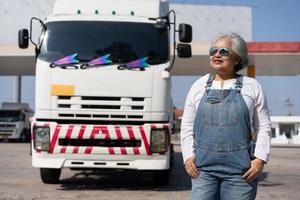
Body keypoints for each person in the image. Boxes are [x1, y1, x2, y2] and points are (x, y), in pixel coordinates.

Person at [180, 32, 271, 200]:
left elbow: (264, 127)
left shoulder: (252, 86)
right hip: (204, 171)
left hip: (241, 174)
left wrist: (260, 159)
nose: (216, 54)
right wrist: (188, 157)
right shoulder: (198, 86)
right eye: (213, 50)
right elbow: (186, 126)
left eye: (223, 51)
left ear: (237, 59)